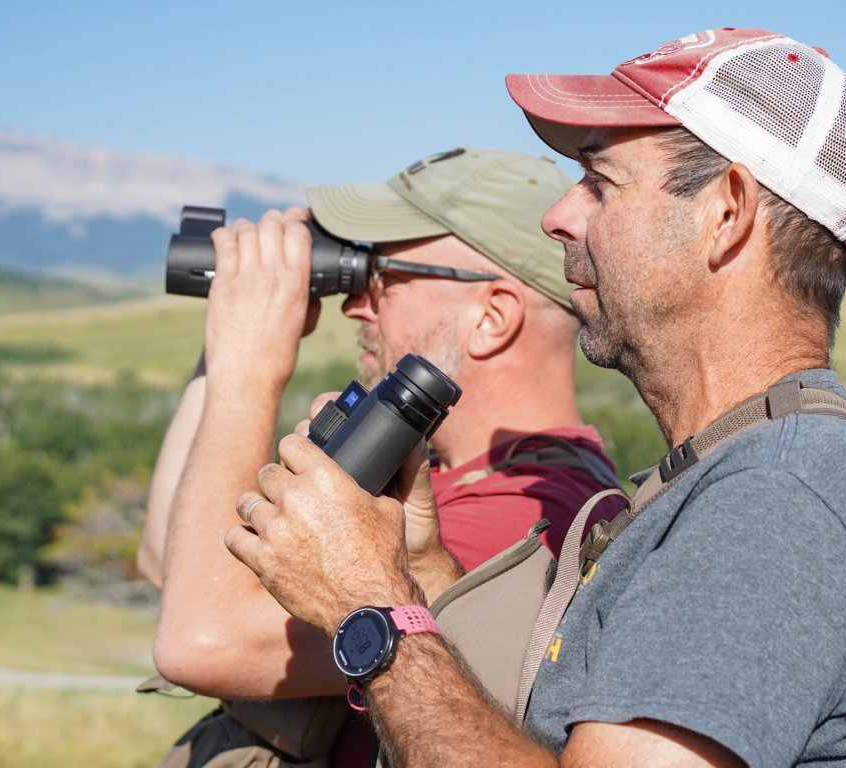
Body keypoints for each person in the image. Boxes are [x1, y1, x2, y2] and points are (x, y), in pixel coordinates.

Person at [225, 28, 846, 767]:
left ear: (727, 210)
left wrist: (366, 605)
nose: (558, 215)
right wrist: (415, 568)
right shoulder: (740, 472)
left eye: (601, 183)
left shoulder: (777, 495)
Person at [139, 148, 623, 763]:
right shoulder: (448, 484)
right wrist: (224, 347)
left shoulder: (523, 523)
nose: (356, 305)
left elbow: (198, 640)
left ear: (492, 317)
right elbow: (168, 558)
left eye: (383, 277)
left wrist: (249, 369)